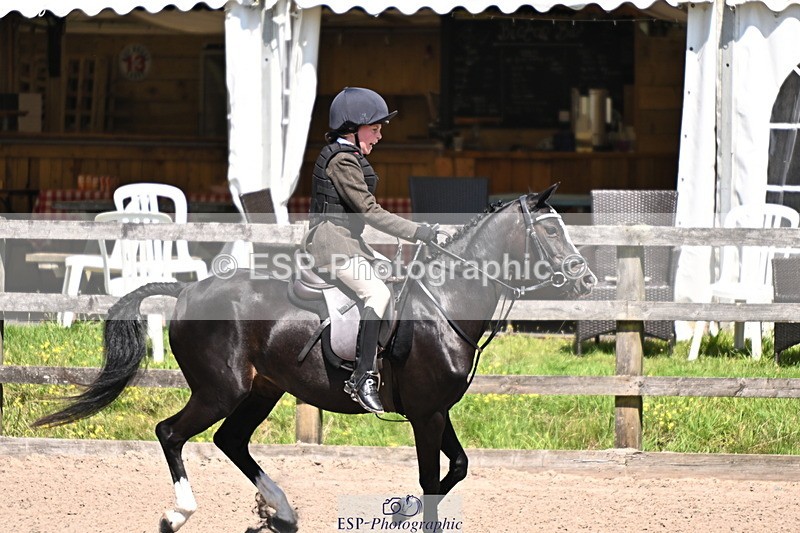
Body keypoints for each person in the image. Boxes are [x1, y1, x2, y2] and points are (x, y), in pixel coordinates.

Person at [306, 87, 437, 414]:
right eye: (375, 129)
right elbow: (369, 211)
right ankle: (363, 377)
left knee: (396, 281)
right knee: (377, 294)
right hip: (331, 244)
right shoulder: (342, 161)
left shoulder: (349, 156)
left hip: (350, 242)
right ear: (353, 128)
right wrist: (418, 232)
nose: (379, 137)